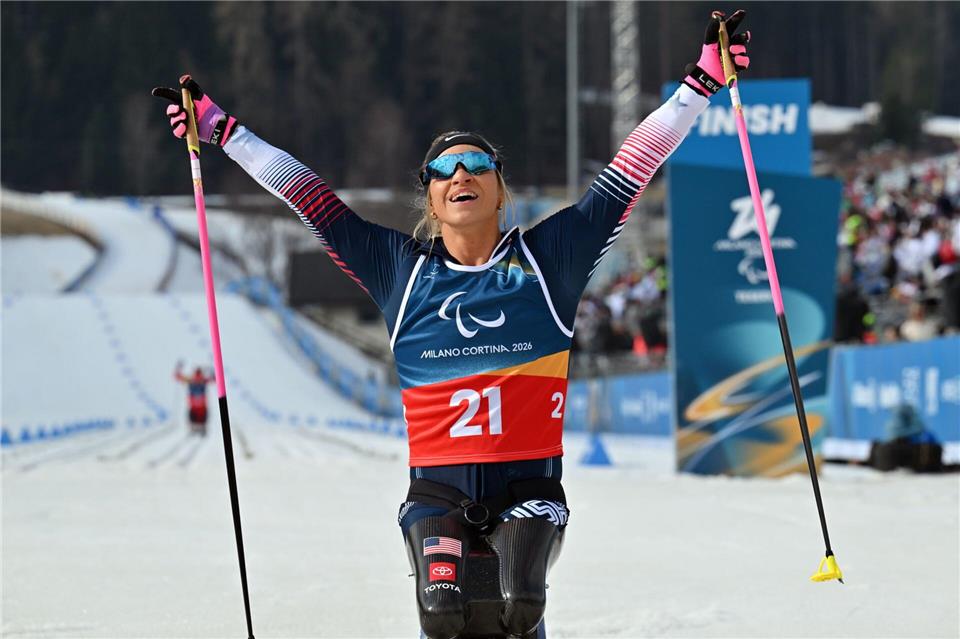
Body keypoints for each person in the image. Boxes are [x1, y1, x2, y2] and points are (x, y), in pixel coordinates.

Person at [153, 10, 751, 638]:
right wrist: (224, 132)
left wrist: (702, 81)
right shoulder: (399, 272)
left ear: (499, 191)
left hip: (530, 488)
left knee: (520, 601)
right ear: (430, 198)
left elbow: (633, 166)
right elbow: (310, 197)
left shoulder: (548, 261)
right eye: (443, 170)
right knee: (444, 616)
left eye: (476, 165)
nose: (459, 174)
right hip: (436, 494)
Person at [174, 363, 214, 436]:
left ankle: (196, 428)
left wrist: (178, 368)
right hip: (200, 406)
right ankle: (199, 428)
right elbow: (214, 379)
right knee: (200, 419)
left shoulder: (192, 380)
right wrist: (213, 371)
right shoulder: (202, 380)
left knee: (196, 418)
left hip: (195, 406)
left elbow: (178, 377)